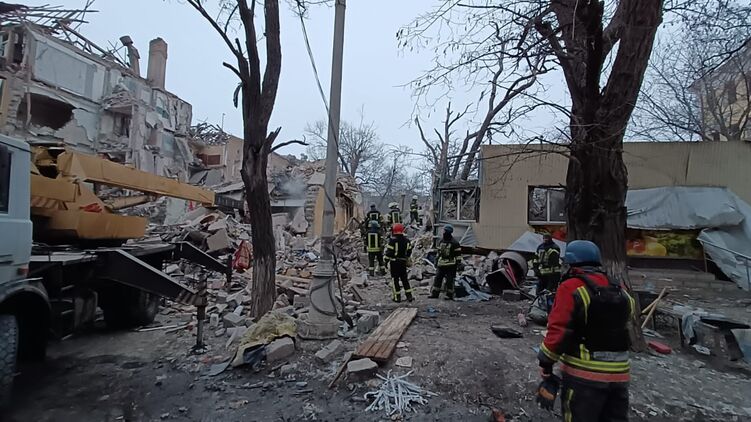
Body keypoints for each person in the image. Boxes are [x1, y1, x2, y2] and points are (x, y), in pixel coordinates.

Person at [536, 240, 635, 422]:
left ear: (571, 263)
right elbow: (627, 318)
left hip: (584, 377)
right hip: (620, 376)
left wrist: (546, 362)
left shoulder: (571, 287)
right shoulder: (618, 287)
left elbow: (559, 330)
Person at [430, 224, 462, 300]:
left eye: (444, 230)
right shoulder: (441, 241)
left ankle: (449, 295)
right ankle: (435, 294)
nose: (443, 232)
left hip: (451, 265)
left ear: (447, 231)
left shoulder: (455, 243)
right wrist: (436, 260)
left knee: (449, 280)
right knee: (438, 279)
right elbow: (438, 252)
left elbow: (458, 255)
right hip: (441, 264)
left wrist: (458, 264)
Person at [384, 223, 414, 302]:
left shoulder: (392, 241)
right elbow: (409, 251)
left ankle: (397, 297)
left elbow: (389, 253)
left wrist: (385, 261)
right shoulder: (407, 240)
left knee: (395, 280)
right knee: (405, 279)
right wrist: (406, 258)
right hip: (403, 262)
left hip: (394, 263)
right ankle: (409, 296)